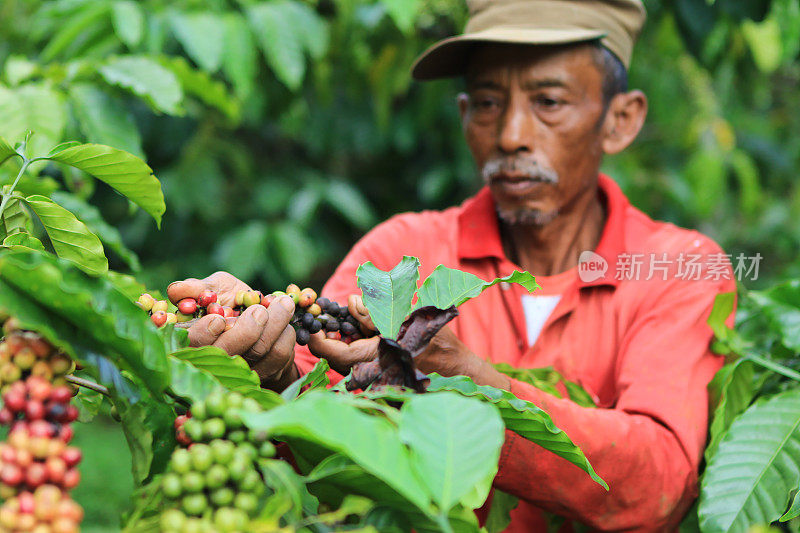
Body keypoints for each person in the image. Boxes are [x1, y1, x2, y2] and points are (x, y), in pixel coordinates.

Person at [168, 0, 736, 530]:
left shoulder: (679, 268)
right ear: (465, 114)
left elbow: (659, 481)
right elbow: (319, 425)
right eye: (488, 103)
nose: (511, 135)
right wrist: (270, 374)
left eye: (550, 102)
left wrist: (469, 383)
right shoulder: (400, 257)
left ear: (621, 119)